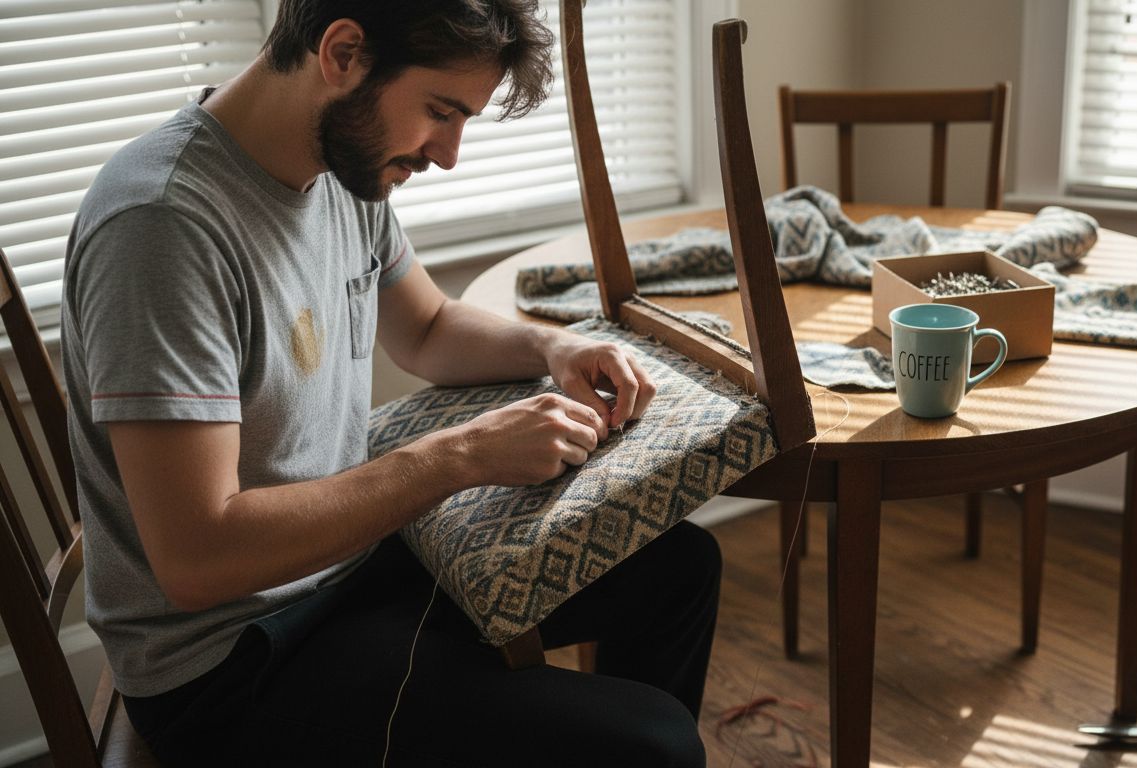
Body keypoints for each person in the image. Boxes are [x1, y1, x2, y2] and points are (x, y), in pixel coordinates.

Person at [61, 1, 720, 765]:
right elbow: (198, 559)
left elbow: (429, 329)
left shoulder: (338, 167)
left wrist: (554, 345)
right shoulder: (161, 225)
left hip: (345, 570)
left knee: (679, 568)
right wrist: (461, 456)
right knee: (657, 746)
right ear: (342, 53)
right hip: (232, 662)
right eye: (441, 111)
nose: (448, 154)